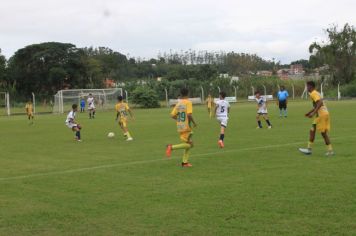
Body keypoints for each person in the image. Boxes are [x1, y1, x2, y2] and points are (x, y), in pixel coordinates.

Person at [299, 81, 334, 156]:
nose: (306, 88)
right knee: (312, 131)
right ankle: (309, 149)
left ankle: (330, 151)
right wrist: (309, 112)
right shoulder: (316, 93)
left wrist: (313, 113)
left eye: (307, 86)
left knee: (323, 133)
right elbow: (317, 105)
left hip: (321, 115)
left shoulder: (313, 93)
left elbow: (320, 103)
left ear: (310, 86)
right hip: (324, 114)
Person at [166, 88, 197, 167]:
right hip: (186, 126)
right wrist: (194, 123)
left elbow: (172, 115)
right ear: (188, 93)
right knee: (190, 145)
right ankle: (171, 147)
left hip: (180, 125)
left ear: (181, 94)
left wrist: (179, 120)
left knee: (188, 144)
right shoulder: (188, 102)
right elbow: (189, 114)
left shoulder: (179, 104)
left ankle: (184, 162)